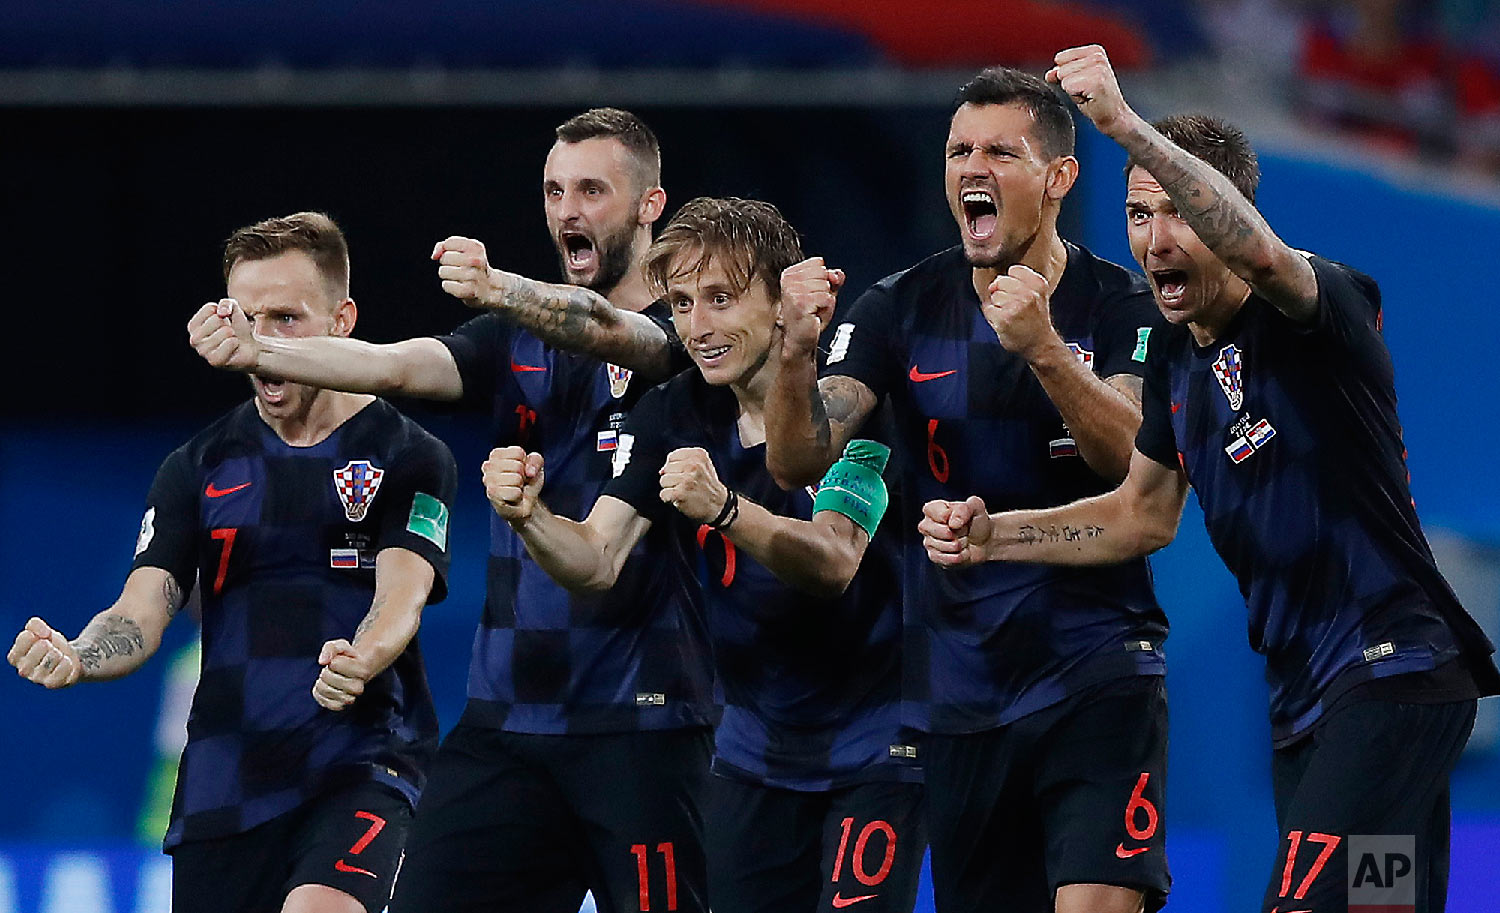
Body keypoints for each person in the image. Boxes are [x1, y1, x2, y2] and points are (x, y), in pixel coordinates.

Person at [922, 44, 1500, 913]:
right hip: (1306, 704)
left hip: (1392, 675)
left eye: (1175, 214)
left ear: (1220, 212)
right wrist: (994, 534)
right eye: (1135, 215)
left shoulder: (1316, 307)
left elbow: (1262, 255)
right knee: (1384, 906)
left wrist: (1122, 124)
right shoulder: (1176, 373)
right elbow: (1139, 516)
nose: (1154, 241)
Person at [187, 108, 714, 913]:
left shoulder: (687, 335)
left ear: (651, 205)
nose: (567, 209)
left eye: (592, 190)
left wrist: (499, 284)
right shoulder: (512, 344)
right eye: (553, 191)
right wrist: (263, 350)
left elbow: (616, 331)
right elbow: (393, 364)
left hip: (644, 726)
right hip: (507, 728)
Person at [764, 68, 1172, 913]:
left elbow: (1131, 463)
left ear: (1059, 178)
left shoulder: (1121, 307)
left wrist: (1046, 349)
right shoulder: (897, 308)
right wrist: (796, 350)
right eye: (958, 150)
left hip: (1095, 672)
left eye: (999, 150)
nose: (971, 166)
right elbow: (798, 459)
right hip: (958, 695)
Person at [482, 197, 927, 913]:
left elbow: (834, 561)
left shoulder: (853, 398)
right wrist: (529, 515)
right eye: (683, 302)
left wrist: (724, 508)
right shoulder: (672, 411)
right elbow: (596, 558)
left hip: (876, 740)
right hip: (751, 749)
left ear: (783, 301)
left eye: (720, 299)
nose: (696, 326)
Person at [10, 211, 457, 913]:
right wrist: (78, 654)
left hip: (361, 764)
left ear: (343, 321)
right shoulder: (199, 466)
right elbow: (139, 611)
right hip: (226, 786)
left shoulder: (409, 453)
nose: (261, 341)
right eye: (246, 318)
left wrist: (362, 656)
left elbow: (401, 595)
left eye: (285, 318)